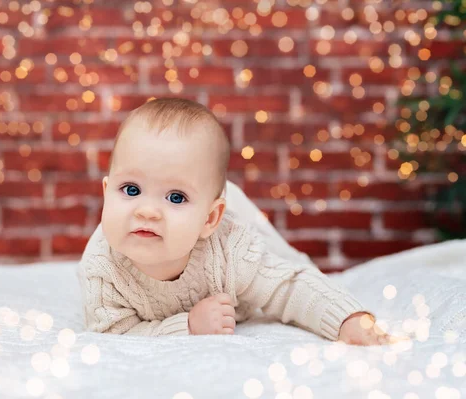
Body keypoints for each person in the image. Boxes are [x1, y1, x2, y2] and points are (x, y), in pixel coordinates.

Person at [77, 97, 402, 345]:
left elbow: (286, 287)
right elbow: (114, 333)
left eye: (175, 197)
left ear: (210, 219)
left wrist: (348, 319)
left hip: (234, 217)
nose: (147, 211)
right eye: (130, 189)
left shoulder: (230, 247)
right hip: (211, 218)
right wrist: (188, 326)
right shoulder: (102, 266)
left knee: (283, 261)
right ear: (107, 192)